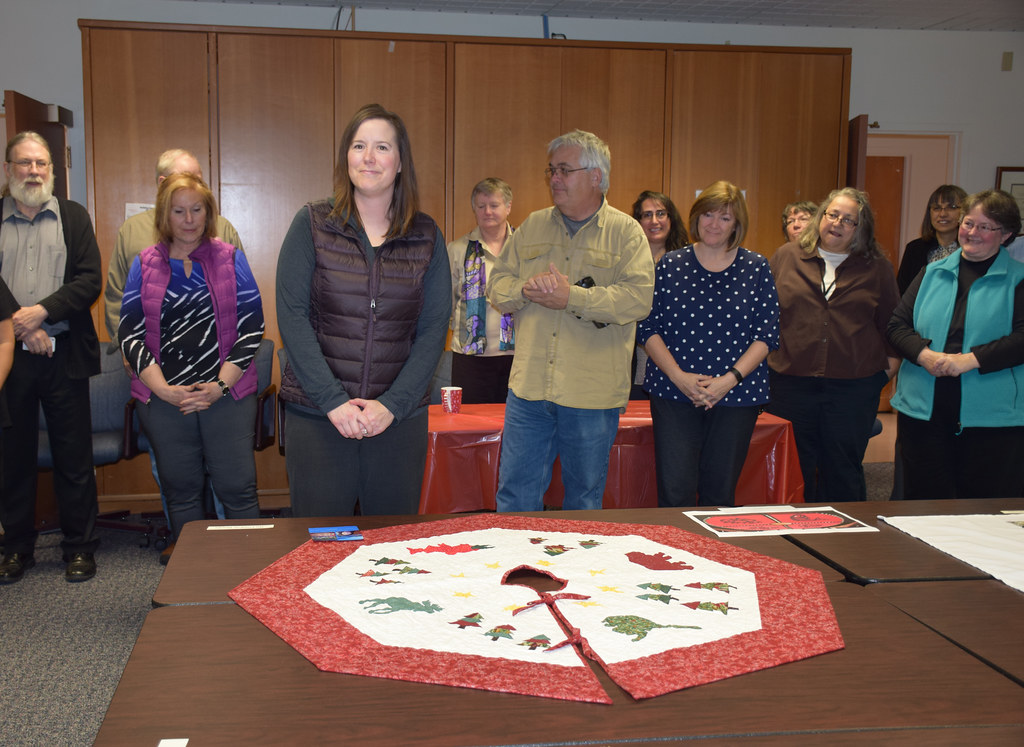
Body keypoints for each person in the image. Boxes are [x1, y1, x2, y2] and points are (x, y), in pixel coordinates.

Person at [277, 103, 450, 517]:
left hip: (397, 422)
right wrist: (333, 401)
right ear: (346, 158)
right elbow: (292, 318)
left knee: (391, 554)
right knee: (317, 551)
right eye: (359, 145)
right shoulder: (312, 224)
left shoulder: (426, 235)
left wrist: (392, 405)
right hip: (319, 417)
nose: (369, 157)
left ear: (401, 162)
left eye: (382, 147)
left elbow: (432, 330)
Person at [487, 129, 655, 512]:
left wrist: (571, 298)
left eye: (564, 170)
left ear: (596, 176)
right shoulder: (532, 225)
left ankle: (576, 574)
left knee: (582, 501)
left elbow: (637, 299)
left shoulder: (627, 234)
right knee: (514, 496)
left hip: (591, 396)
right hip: (528, 391)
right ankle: (513, 570)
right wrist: (527, 290)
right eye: (551, 170)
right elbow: (497, 285)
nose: (555, 179)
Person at [119, 173, 263, 540]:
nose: (188, 219)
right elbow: (130, 333)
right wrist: (164, 390)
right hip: (164, 398)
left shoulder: (231, 259)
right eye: (178, 211)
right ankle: (194, 582)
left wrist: (218, 386)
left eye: (196, 210)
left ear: (208, 212)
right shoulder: (144, 263)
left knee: (237, 490)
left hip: (225, 396)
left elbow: (252, 328)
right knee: (181, 492)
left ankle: (252, 575)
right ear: (164, 216)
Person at [0, 132, 102, 584]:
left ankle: (79, 548)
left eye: (42, 163)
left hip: (63, 355)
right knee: (11, 456)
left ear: (54, 172)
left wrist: (41, 315)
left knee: (73, 456)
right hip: (8, 359)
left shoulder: (73, 216)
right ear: (8, 170)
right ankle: (17, 548)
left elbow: (89, 280)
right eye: (24, 163)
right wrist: (20, 327)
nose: (34, 171)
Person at [638, 181, 779, 507]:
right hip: (674, 392)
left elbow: (766, 335)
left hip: (736, 395)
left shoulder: (756, 267)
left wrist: (728, 381)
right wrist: (679, 377)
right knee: (675, 491)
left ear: (737, 224)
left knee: (720, 493)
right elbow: (648, 327)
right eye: (708, 215)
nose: (714, 224)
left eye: (725, 218)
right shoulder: (670, 265)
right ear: (696, 217)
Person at [887, 189, 1024, 499]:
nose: (971, 233)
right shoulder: (931, 272)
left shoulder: (1018, 278)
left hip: (992, 421)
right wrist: (924, 355)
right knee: (924, 508)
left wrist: (969, 360)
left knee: (983, 511)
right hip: (923, 413)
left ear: (1006, 235)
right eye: (968, 223)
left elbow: (1021, 339)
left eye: (985, 227)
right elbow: (896, 326)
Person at [767, 188, 900, 502]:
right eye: (832, 214)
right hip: (790, 384)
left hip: (853, 388)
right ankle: (794, 539)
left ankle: (846, 540)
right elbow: (765, 316)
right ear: (821, 217)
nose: (837, 223)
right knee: (794, 469)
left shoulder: (876, 267)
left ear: (860, 228)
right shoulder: (787, 256)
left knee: (842, 468)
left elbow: (893, 325)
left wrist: (885, 374)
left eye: (849, 220)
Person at [104, 148, 244, 350]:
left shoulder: (222, 228)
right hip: (149, 356)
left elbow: (242, 296)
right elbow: (118, 297)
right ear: (162, 183)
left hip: (214, 352)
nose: (194, 186)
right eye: (186, 178)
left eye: (199, 179)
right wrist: (128, 348)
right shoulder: (132, 230)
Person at [447, 177, 515, 403]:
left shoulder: (524, 249)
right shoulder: (457, 249)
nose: (487, 212)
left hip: (518, 356)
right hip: (470, 358)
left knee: (514, 425)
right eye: (481, 206)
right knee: (471, 424)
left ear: (508, 207)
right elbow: (448, 300)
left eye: (494, 205)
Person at [630, 190, 688, 399]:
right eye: (646, 215)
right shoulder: (626, 261)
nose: (654, 221)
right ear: (637, 221)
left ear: (671, 219)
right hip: (634, 362)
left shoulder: (688, 262)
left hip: (678, 361)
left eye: (661, 213)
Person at [896, 185, 968, 295]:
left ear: (964, 212)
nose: (943, 214)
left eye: (951, 207)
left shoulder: (970, 250)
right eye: (937, 208)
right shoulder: (914, 249)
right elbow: (901, 293)